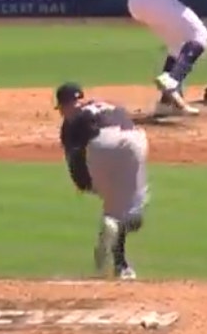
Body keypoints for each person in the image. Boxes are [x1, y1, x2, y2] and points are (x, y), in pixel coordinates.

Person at [55, 83, 149, 281]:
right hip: (135, 140)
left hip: (102, 143)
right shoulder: (106, 105)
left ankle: (120, 262)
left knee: (113, 209)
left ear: (65, 105)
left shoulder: (72, 122)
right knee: (132, 211)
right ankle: (121, 263)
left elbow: (75, 163)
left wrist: (86, 184)